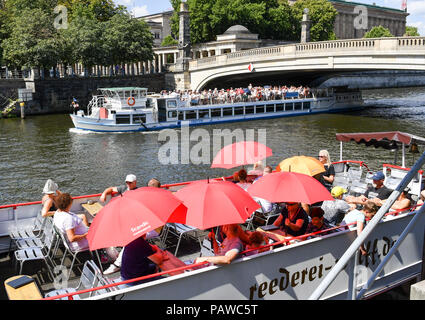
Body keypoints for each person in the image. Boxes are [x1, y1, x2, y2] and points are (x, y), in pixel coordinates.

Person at [101, 174, 138, 274]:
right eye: (127, 182)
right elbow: (110, 189)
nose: (128, 184)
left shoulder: (138, 192)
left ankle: (117, 261)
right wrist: (104, 194)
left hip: (131, 220)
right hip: (120, 217)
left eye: (130, 182)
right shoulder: (123, 188)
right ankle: (114, 255)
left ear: (135, 182)